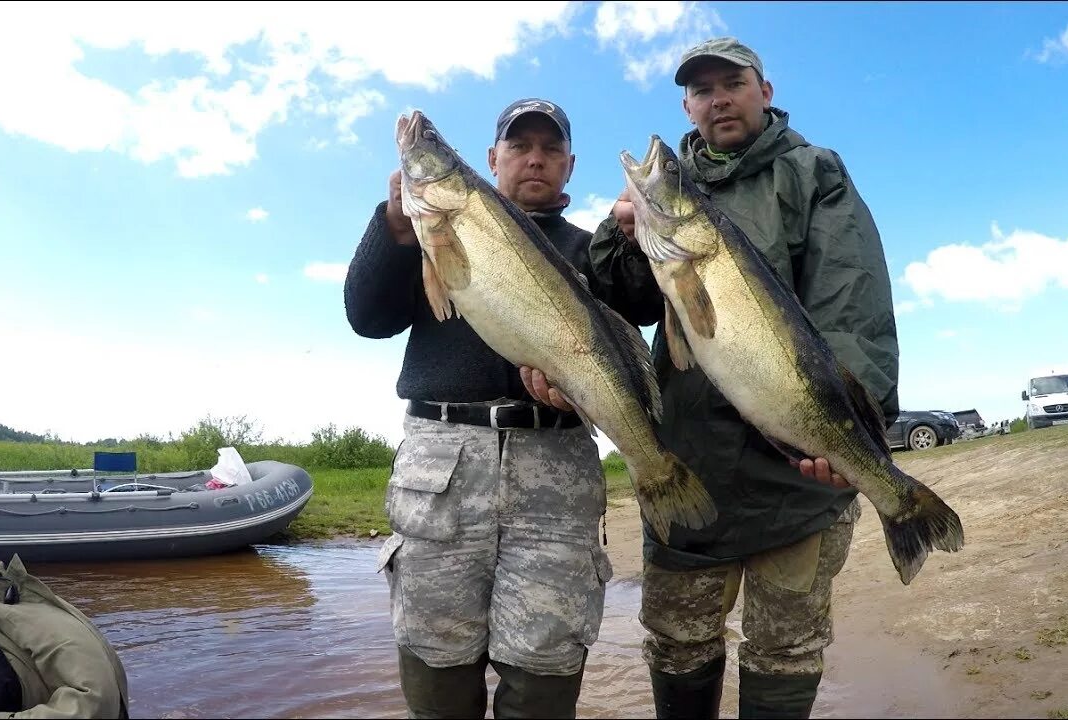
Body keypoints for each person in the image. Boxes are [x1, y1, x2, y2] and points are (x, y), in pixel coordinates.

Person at [522, 37, 900, 719]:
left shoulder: (814, 174)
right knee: (678, 644)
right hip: (688, 460)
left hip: (795, 477)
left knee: (785, 648)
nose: (718, 98)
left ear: (766, 89)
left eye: (733, 82)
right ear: (687, 106)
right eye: (702, 90)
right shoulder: (664, 196)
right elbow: (624, 300)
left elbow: (852, 301)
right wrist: (621, 233)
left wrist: (852, 423)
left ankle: (902, 508)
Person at [344, 98, 625, 719]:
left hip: (556, 466)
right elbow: (368, 318)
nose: (535, 159)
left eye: (550, 150)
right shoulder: (428, 232)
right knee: (435, 651)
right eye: (519, 147)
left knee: (545, 659)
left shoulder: (588, 252)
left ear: (570, 166)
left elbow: (624, 333)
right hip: (441, 464)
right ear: (493, 159)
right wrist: (392, 225)